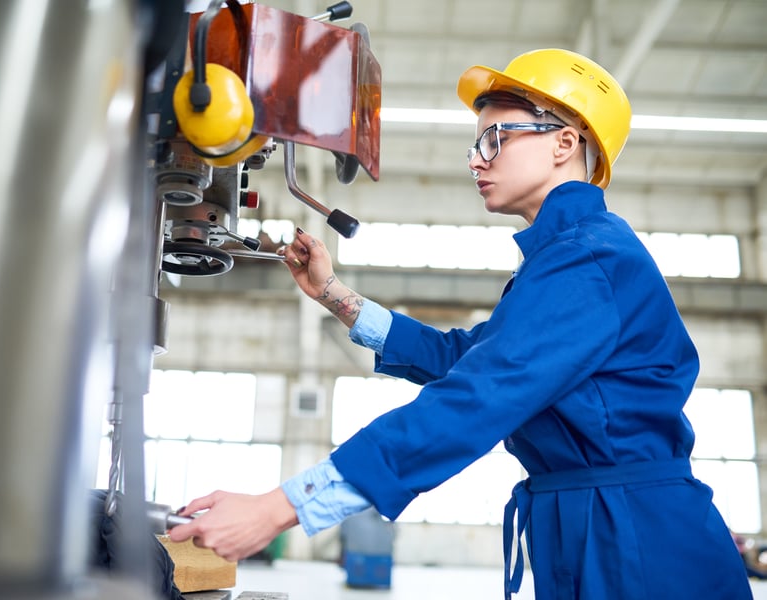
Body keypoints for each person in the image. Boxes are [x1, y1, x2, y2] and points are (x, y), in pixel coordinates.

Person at [168, 48, 753, 599]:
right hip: (597, 522)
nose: (477, 158)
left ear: (565, 143)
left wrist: (283, 507)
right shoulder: (560, 260)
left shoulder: (590, 259)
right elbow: (465, 360)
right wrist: (333, 293)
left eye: (495, 139)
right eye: (476, 144)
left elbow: (480, 393)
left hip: (637, 539)